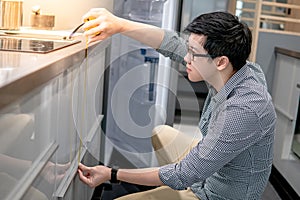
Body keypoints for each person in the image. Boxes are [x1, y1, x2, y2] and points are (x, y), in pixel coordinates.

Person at [78, 8, 276, 200]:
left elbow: (182, 174)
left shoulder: (244, 108)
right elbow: (172, 44)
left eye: (193, 53)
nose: (186, 58)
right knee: (161, 134)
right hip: (208, 173)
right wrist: (119, 25)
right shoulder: (234, 68)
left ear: (220, 62)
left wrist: (112, 174)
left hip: (217, 194)